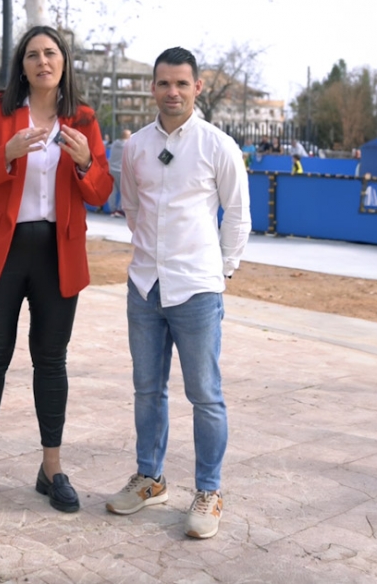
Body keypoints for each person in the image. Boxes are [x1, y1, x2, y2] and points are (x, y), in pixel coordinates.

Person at [0, 25, 113, 518]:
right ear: (21, 66)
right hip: (0, 250)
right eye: (33, 54)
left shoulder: (82, 118)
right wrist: (6, 154)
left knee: (51, 360)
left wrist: (86, 163)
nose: (43, 61)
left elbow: (102, 191)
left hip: (56, 254)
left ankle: (51, 469)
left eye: (51, 53)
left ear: (64, 62)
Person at [106, 47, 251, 540]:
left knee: (205, 396)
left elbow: (237, 214)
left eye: (181, 84)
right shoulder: (137, 147)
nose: (172, 92)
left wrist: (223, 270)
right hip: (145, 286)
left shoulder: (218, 146)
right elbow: (131, 207)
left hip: (197, 291)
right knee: (147, 390)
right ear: (153, 87)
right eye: (164, 83)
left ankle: (208, 491)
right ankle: (151, 478)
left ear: (197, 88)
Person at [108, 129, 131, 216]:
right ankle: (120, 209)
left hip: (111, 170)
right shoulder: (128, 145)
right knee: (124, 191)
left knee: (112, 191)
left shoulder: (114, 144)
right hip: (122, 171)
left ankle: (112, 209)